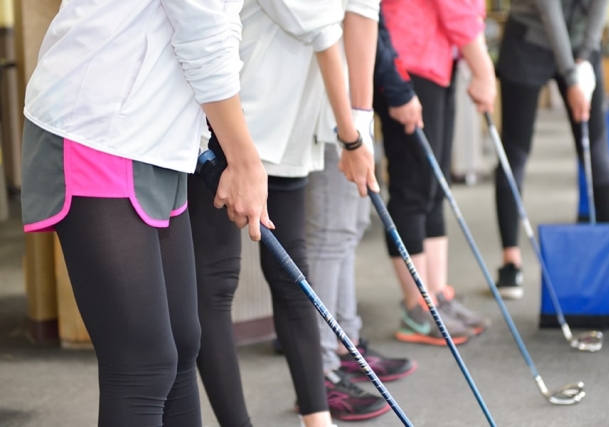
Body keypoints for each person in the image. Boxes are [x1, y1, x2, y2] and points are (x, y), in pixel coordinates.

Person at [21, 1, 270, 426]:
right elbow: (203, 27)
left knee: (181, 344)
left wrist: (225, 140)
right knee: (143, 363)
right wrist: (244, 158)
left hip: (159, 138)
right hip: (98, 127)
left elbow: (219, 27)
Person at [188, 1, 381, 426]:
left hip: (290, 131)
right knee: (215, 283)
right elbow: (326, 34)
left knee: (293, 276)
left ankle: (318, 419)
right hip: (231, 127)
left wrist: (358, 127)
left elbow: (363, 15)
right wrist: (351, 139)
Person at [304, 12, 420, 421]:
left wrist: (362, 121)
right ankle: (320, 372)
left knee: (350, 227)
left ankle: (345, 342)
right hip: (327, 109)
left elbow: (367, 25)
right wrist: (351, 127)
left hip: (354, 110)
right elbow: (339, 29)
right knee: (330, 234)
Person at [376, 0, 495, 346]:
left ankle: (436, 295)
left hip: (437, 58)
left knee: (434, 187)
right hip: (408, 60)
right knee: (414, 187)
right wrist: (484, 71)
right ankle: (417, 307)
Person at [494, 0, 609, 299]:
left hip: (580, 46)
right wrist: (571, 78)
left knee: (598, 153)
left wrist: (585, 56)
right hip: (528, 41)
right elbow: (548, 9)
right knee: (515, 156)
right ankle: (510, 260)